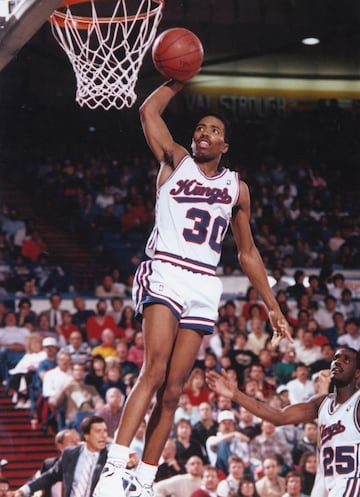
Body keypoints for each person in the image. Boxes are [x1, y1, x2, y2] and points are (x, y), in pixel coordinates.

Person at [92, 79, 290, 497]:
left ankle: (144, 480)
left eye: (213, 130)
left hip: (203, 281)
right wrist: (178, 79)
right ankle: (113, 468)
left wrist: (271, 304)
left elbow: (248, 252)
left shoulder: (237, 188)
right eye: (200, 127)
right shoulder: (175, 160)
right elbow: (148, 113)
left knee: (174, 391)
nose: (203, 133)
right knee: (154, 370)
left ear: (226, 145)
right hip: (165, 268)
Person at [206, 346, 360, 497]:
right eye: (335, 358)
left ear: (357, 373)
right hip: (328, 481)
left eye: (346, 360)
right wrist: (236, 395)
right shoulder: (321, 403)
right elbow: (279, 417)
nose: (337, 362)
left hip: (352, 481)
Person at [14, 415, 108, 497]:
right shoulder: (71, 454)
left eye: (105, 431)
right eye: (98, 431)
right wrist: (24, 490)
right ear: (86, 435)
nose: (103, 435)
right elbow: (50, 476)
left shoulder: (111, 456)